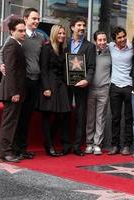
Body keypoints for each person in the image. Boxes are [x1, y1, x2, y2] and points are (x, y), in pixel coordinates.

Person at [0, 8, 45, 160]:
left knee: (24, 118)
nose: (36, 21)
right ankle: (8, 151)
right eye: (33, 18)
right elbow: (1, 55)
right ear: (26, 19)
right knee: (12, 120)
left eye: (38, 19)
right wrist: (0, 66)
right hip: (18, 84)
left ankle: (20, 149)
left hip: (32, 83)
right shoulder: (14, 40)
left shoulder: (40, 38)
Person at [38, 24, 71, 156]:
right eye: (60, 33)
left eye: (63, 33)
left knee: (61, 115)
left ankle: (48, 141)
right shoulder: (46, 48)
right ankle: (49, 144)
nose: (62, 35)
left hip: (61, 84)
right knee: (47, 115)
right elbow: (43, 69)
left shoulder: (65, 49)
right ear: (54, 34)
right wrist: (46, 88)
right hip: (49, 84)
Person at [66, 16, 96, 156]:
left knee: (80, 115)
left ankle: (77, 145)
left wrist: (87, 80)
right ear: (72, 27)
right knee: (65, 113)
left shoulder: (90, 46)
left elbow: (91, 67)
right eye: (79, 25)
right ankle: (65, 145)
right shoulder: (64, 43)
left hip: (82, 85)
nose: (82, 27)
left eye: (84, 25)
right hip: (65, 84)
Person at [0, 18, 26, 163]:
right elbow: (11, 71)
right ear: (12, 32)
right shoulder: (11, 45)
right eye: (20, 31)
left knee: (12, 122)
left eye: (24, 30)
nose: (23, 33)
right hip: (11, 92)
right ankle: (6, 152)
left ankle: (9, 151)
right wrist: (14, 92)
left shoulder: (17, 44)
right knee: (9, 123)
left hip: (14, 91)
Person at [84, 31, 111, 155]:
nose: (102, 42)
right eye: (99, 40)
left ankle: (97, 144)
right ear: (95, 41)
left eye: (104, 39)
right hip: (90, 89)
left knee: (101, 118)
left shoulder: (111, 53)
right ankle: (89, 143)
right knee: (90, 117)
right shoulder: (90, 53)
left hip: (104, 89)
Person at [108, 26, 133, 155]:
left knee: (129, 118)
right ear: (114, 39)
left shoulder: (132, 47)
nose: (122, 39)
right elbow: (97, 47)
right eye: (119, 37)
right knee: (115, 118)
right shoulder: (110, 47)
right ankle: (115, 145)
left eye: (124, 36)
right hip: (115, 87)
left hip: (129, 86)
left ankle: (127, 145)